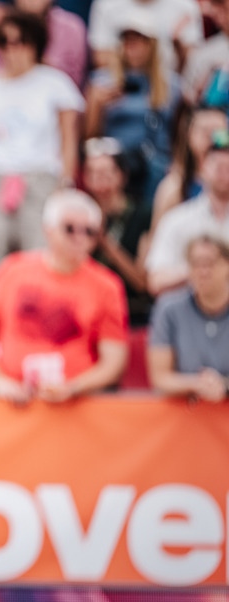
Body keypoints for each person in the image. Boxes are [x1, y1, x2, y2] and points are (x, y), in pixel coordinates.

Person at [0, 189, 129, 404]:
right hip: (11, 405)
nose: (80, 238)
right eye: (70, 228)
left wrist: (73, 388)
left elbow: (113, 361)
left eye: (90, 231)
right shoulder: (12, 269)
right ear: (48, 230)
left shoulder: (108, 286)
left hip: (74, 410)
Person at [0, 10, 83, 297]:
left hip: (41, 182)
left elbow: (68, 141)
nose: (13, 49)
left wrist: (64, 187)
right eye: (5, 42)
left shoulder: (56, 83)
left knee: (43, 263)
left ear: (36, 44)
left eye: (21, 42)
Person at [83, 9, 178, 205]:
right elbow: (89, 139)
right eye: (127, 40)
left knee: (162, 170)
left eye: (139, 40)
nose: (132, 47)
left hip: (156, 164)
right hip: (116, 162)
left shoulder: (173, 86)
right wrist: (96, 106)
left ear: (152, 44)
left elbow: (178, 136)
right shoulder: (102, 82)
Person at [81, 136, 154, 327]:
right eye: (93, 173)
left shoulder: (142, 214)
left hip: (130, 310)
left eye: (106, 172)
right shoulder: (79, 215)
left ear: (122, 175)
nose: (99, 179)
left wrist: (105, 243)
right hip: (87, 307)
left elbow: (141, 281)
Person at [146, 128, 229, 294]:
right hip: (188, 312)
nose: (223, 171)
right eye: (217, 164)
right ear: (202, 167)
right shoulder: (176, 220)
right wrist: (202, 269)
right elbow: (155, 281)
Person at [147, 233, 229, 400]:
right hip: (184, 414)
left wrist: (224, 386)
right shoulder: (168, 308)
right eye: (196, 264)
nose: (203, 271)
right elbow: (160, 377)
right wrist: (199, 384)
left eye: (210, 263)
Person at [150, 105, 228, 230]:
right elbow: (158, 238)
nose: (210, 137)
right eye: (204, 131)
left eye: (218, 131)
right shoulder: (175, 186)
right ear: (189, 135)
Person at [88, 0, 203, 75]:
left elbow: (193, 63)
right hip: (121, 84)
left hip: (170, 85)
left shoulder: (186, 6)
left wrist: (177, 44)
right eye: (128, 38)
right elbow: (100, 58)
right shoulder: (105, 4)